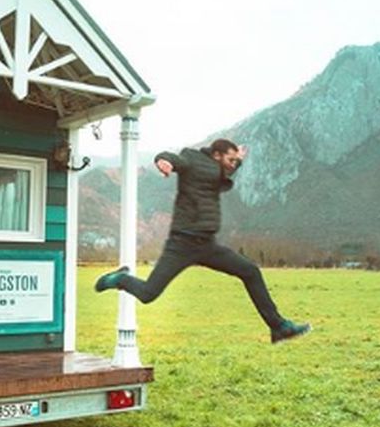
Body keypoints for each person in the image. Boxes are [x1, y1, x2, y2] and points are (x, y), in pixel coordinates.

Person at [95, 138, 311, 344]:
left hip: (207, 245)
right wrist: (164, 160)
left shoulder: (217, 171)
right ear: (216, 155)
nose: (233, 165)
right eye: (230, 160)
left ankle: (278, 327)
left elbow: (223, 171)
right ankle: (120, 279)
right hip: (181, 244)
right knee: (148, 294)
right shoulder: (192, 159)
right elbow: (174, 158)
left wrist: (239, 159)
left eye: (235, 162)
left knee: (250, 271)